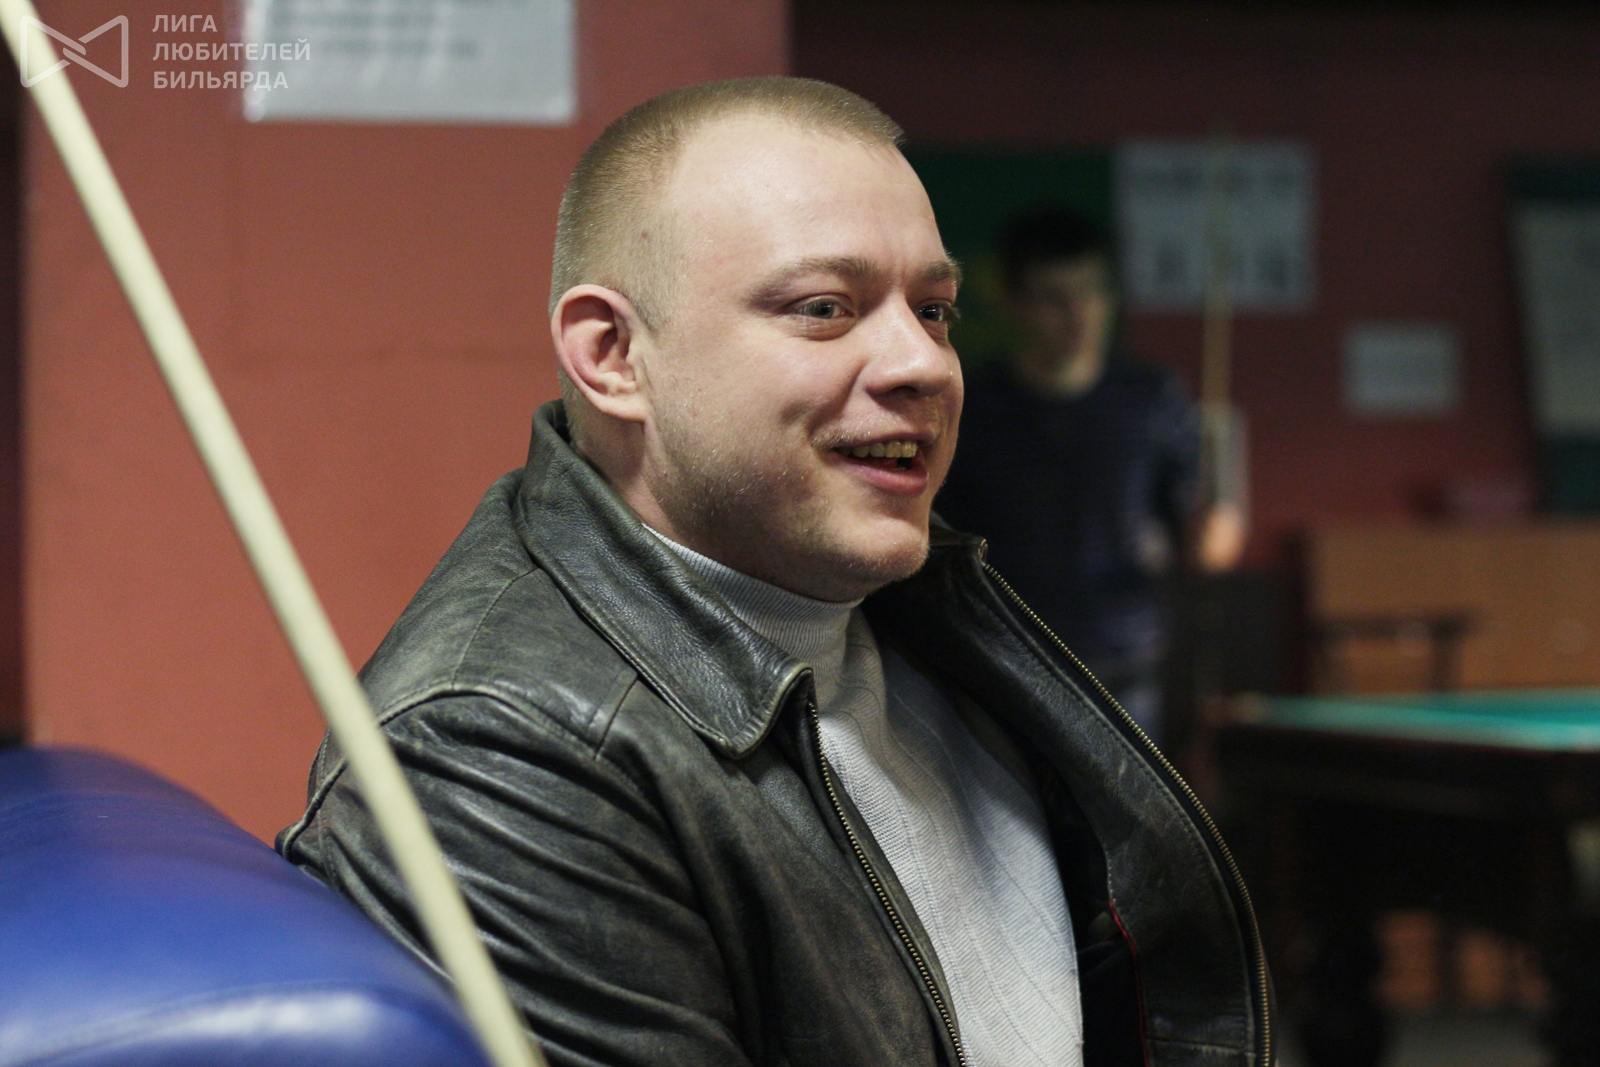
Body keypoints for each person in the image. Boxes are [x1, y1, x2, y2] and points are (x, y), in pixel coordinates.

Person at [279, 78, 1268, 1067]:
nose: (924, 363)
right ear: (614, 353)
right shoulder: (497, 749)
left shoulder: (915, 605)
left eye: (934, 310)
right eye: (823, 307)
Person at [936, 209, 1244, 744]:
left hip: (1125, 659)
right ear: (1012, 303)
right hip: (1004, 661)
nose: (1079, 314)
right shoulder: (973, 408)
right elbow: (940, 537)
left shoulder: (1152, 400)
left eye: (1093, 292)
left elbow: (1198, 526)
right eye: (1054, 298)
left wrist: (1211, 536)